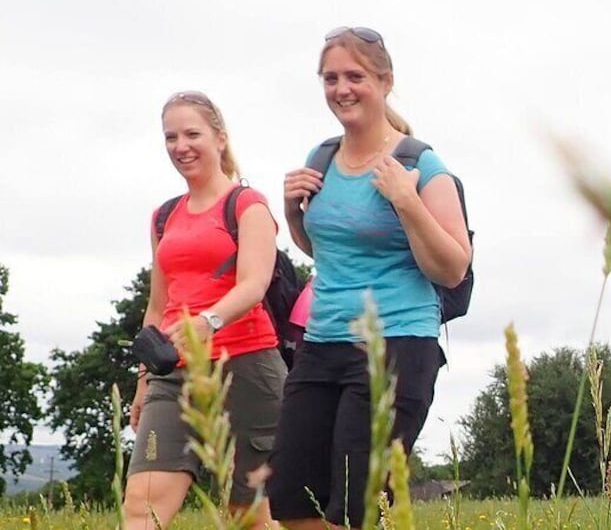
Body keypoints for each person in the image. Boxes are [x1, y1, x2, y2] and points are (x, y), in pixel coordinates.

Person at [267, 27, 472, 530]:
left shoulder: (421, 166)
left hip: (396, 344)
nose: (342, 89)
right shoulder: (321, 158)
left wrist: (406, 201)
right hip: (321, 342)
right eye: (330, 78)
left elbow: (453, 266)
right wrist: (293, 213)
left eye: (355, 76)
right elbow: (323, 248)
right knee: (292, 502)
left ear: (384, 81)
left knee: (353, 511)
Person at [124, 91, 285, 529]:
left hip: (248, 367)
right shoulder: (164, 217)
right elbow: (158, 306)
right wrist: (143, 381)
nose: (181, 146)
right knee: (142, 502)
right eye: (171, 137)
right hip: (173, 374)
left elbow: (254, 284)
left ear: (219, 138)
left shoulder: (247, 205)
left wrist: (207, 321)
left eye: (192, 133)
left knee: (247, 514)